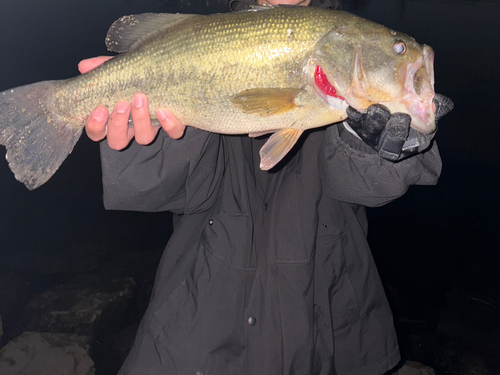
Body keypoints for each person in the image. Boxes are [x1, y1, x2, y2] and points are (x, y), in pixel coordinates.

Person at [80, 0, 449, 373]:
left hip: (333, 330)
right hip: (201, 328)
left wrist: (389, 145)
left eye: (397, 46)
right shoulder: (218, 34)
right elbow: (156, 191)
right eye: (397, 48)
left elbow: (365, 187)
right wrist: (143, 141)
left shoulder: (347, 88)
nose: (404, 53)